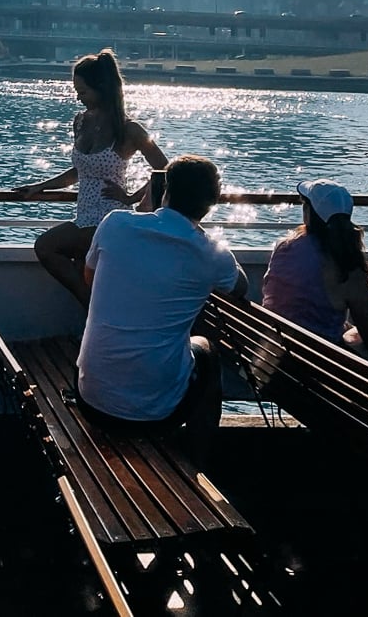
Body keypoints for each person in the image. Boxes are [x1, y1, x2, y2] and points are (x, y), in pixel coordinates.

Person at [77, 154, 247, 466]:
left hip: (90, 400)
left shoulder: (115, 223)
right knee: (206, 350)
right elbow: (240, 287)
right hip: (157, 415)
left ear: (163, 189)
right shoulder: (211, 253)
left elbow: (90, 278)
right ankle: (198, 462)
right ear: (213, 201)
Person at [16, 50, 168, 303]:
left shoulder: (129, 129)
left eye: (83, 92)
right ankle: (94, 308)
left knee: (46, 246)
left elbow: (163, 167)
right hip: (83, 215)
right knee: (83, 271)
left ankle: (90, 304)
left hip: (109, 218)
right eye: (77, 91)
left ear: (102, 88)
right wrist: (38, 187)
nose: (78, 97)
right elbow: (79, 171)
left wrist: (131, 198)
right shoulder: (80, 122)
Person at [263, 179, 368, 351]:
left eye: (305, 205)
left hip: (274, 352)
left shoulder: (284, 248)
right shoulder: (347, 267)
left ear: (309, 213)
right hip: (318, 365)